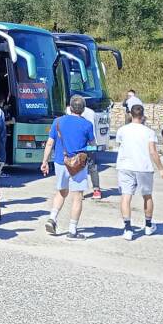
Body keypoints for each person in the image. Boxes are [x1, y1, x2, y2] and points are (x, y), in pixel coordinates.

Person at [40, 95, 95, 240]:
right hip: (78, 164)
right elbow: (93, 144)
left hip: (60, 162)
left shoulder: (58, 122)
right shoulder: (87, 125)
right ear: (83, 109)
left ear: (70, 108)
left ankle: (52, 218)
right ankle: (72, 230)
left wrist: (45, 162)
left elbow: (50, 143)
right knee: (77, 197)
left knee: (62, 191)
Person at [116, 105, 163, 240]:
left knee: (126, 196)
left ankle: (128, 229)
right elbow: (152, 151)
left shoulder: (122, 130)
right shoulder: (148, 132)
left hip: (125, 166)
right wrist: (161, 168)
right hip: (143, 167)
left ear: (130, 115)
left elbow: (120, 145)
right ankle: (148, 225)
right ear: (143, 115)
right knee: (147, 196)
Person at [79, 104, 103, 199]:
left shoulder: (70, 112)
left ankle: (80, 193)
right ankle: (96, 190)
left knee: (79, 167)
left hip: (81, 144)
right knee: (93, 167)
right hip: (92, 144)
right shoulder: (92, 112)